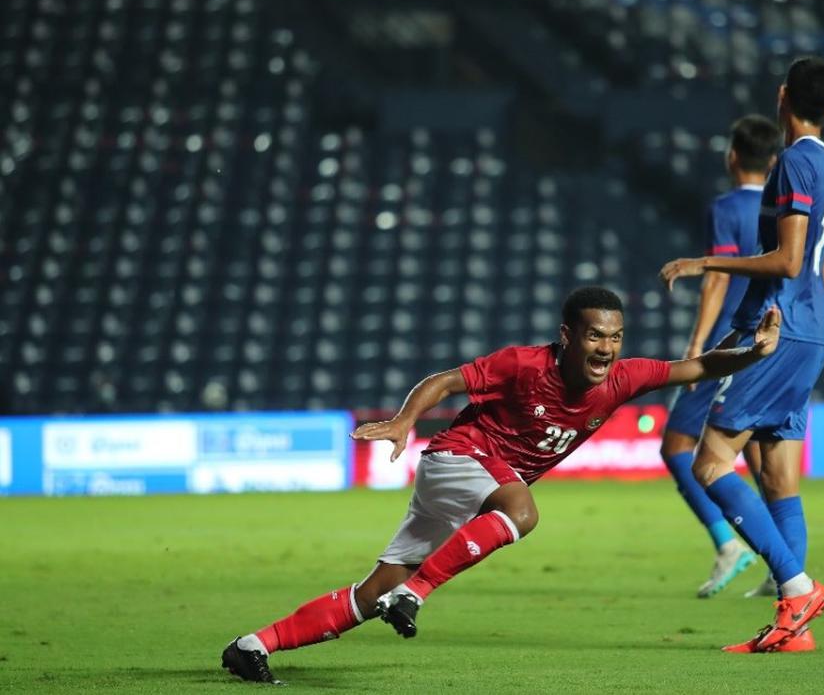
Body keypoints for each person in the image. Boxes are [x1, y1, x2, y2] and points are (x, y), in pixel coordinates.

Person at [221, 286, 782, 684]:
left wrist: (752, 353)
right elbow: (445, 381)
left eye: (614, 337)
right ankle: (415, 595)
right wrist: (402, 421)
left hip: (471, 485)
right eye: (594, 336)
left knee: (368, 597)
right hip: (457, 459)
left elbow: (697, 368)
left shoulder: (624, 377)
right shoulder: (522, 364)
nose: (606, 349)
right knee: (523, 511)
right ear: (568, 336)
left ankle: (253, 646)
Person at [659, 55, 824, 653]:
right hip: (811, 327)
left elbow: (789, 261)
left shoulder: (792, 161)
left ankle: (796, 588)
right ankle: (796, 629)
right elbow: (822, 268)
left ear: (783, 95)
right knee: (777, 477)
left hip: (778, 329)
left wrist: (706, 261)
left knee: (709, 463)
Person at [659, 114, 780, 599]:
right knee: (756, 458)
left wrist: (696, 348)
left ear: (732, 157)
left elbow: (717, 277)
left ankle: (728, 542)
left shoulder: (726, 207)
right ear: (773, 162)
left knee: (676, 449)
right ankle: (781, 565)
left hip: (728, 344)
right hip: (770, 339)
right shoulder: (781, 208)